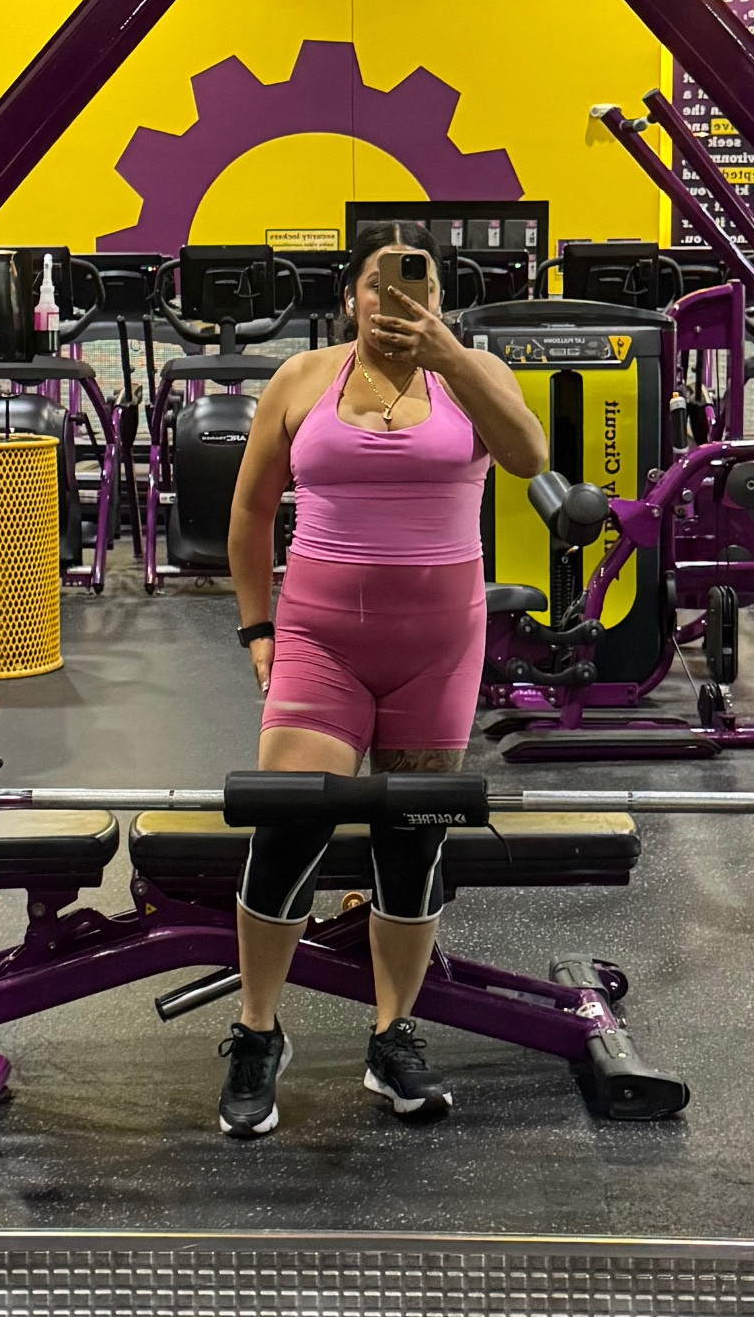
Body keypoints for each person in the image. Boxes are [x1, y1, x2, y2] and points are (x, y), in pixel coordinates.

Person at [219, 221, 548, 1138]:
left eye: (421, 289)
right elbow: (249, 512)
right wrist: (256, 627)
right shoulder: (301, 379)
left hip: (438, 648)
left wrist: (456, 356)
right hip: (321, 639)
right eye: (381, 287)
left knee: (414, 842)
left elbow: (527, 457)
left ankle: (393, 1034)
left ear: (442, 303)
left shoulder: (472, 376)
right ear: (350, 297)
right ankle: (256, 1032)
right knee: (288, 825)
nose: (399, 303)